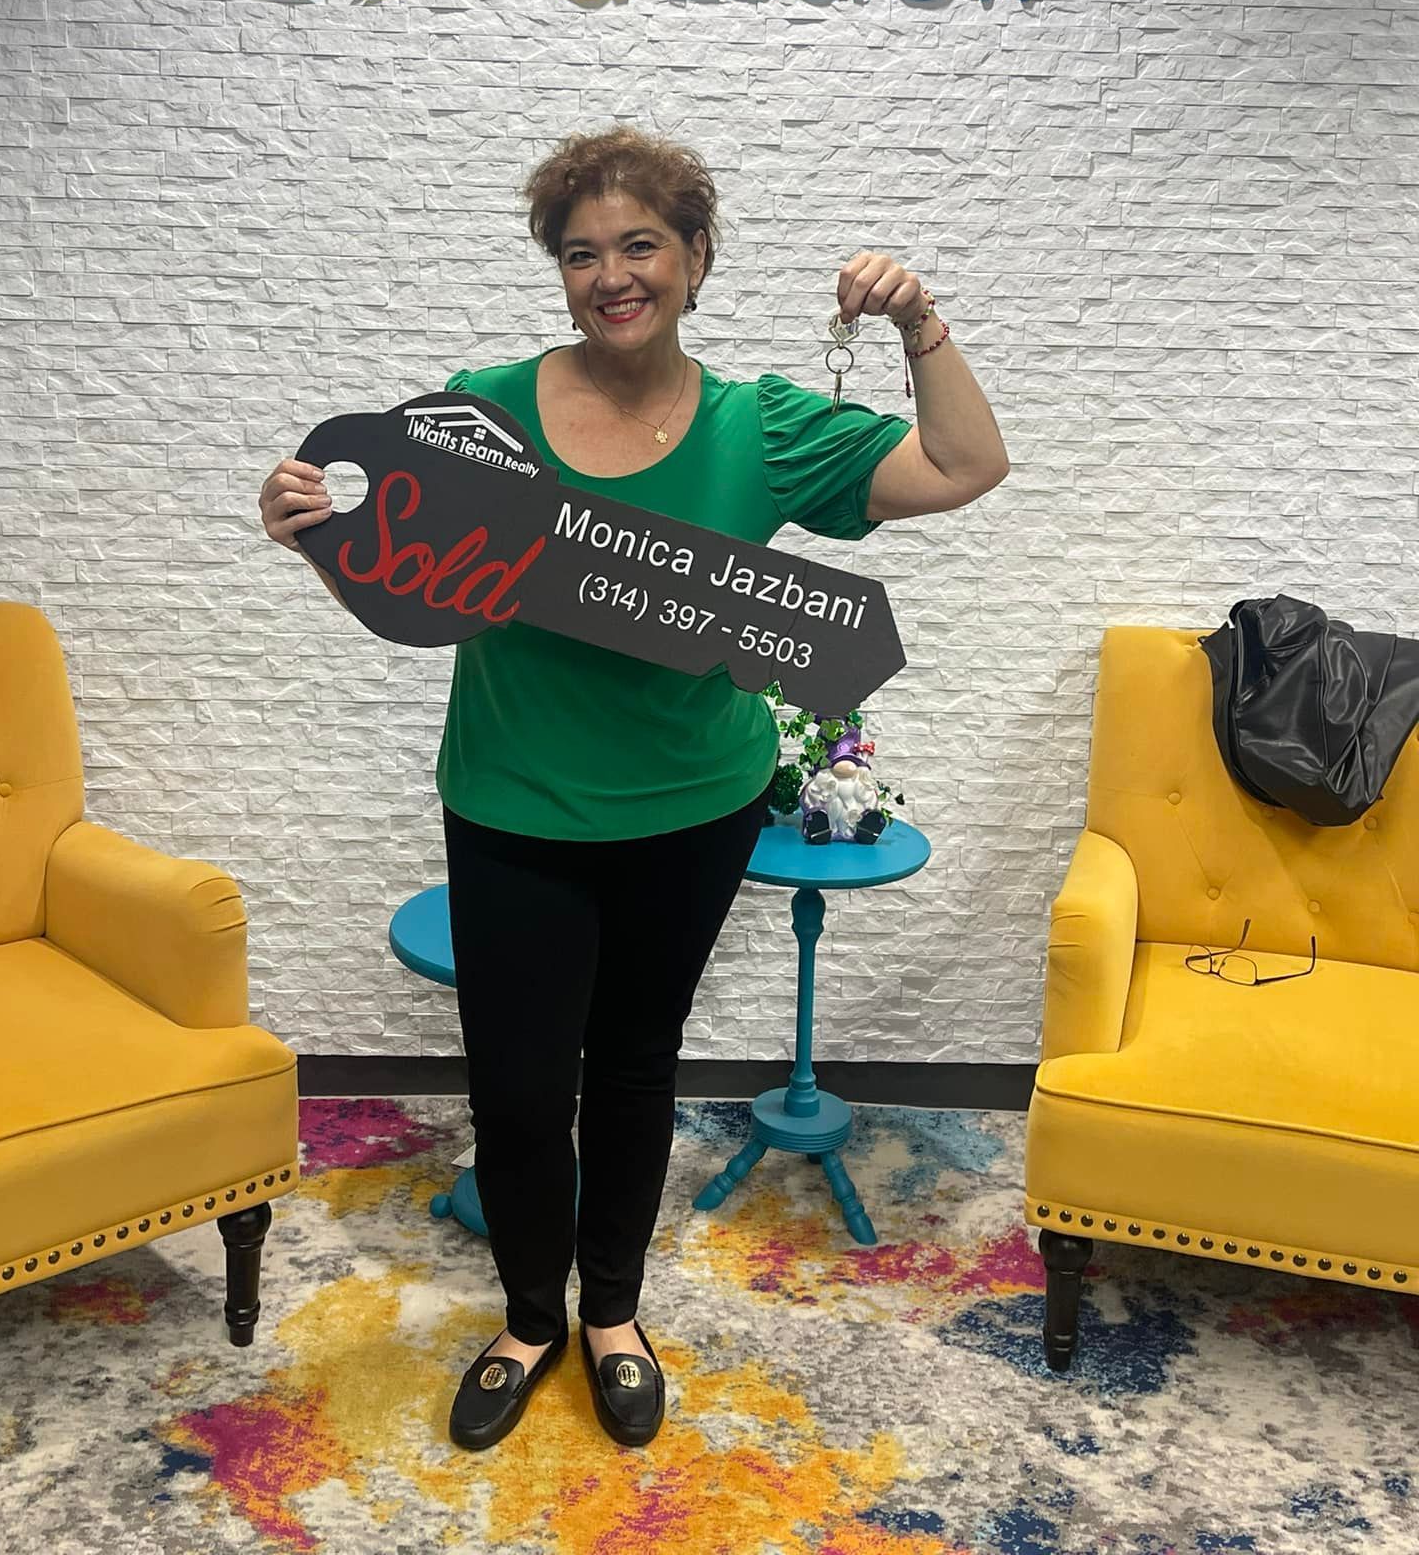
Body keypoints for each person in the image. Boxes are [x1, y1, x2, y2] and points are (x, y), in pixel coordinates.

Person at [257, 127, 1009, 1453]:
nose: (613, 275)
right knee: (522, 1083)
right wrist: (316, 534)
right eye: (582, 252)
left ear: (696, 256)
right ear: (558, 269)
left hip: (694, 811)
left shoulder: (759, 428)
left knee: (636, 1066)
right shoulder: (478, 412)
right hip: (514, 807)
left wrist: (922, 321)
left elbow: (961, 469)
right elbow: (403, 587)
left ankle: (614, 1315)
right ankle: (528, 1319)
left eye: (641, 246)